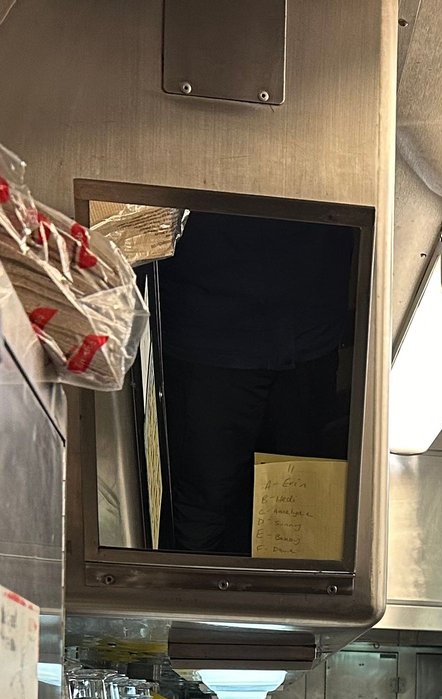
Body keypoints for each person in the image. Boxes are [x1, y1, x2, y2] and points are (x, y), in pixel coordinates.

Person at [149, 211, 356, 553]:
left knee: (298, 504)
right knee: (203, 503)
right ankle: (195, 585)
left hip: (305, 328)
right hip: (211, 330)